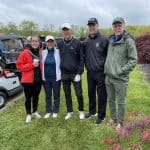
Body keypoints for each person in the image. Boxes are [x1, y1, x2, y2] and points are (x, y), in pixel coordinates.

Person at [104, 17, 137, 129]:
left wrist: (121, 71)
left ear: (124, 26)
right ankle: (113, 118)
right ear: (113, 27)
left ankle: (120, 123)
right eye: (115, 25)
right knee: (111, 99)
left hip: (120, 78)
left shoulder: (128, 40)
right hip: (109, 76)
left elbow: (133, 60)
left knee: (121, 102)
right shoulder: (111, 40)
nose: (117, 27)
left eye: (119, 25)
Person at [83, 18, 109, 125]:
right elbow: (83, 56)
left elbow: (109, 56)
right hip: (90, 73)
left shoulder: (104, 40)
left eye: (93, 25)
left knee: (102, 95)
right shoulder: (86, 41)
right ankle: (92, 111)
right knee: (91, 93)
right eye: (90, 25)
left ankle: (101, 116)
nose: (91, 27)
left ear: (97, 26)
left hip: (101, 73)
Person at [57, 23, 85, 120]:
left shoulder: (77, 43)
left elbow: (82, 59)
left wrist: (79, 73)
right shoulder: (60, 44)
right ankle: (69, 111)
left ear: (71, 30)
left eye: (67, 30)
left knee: (79, 93)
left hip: (75, 74)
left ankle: (81, 111)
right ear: (62, 32)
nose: (66, 32)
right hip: (64, 74)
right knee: (67, 94)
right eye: (64, 30)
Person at [16, 36, 42, 123]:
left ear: (39, 42)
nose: (35, 43)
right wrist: (31, 65)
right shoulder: (24, 53)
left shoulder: (41, 52)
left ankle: (35, 111)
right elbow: (19, 66)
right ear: (30, 42)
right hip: (27, 81)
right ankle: (28, 114)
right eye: (33, 41)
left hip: (38, 80)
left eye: (36, 41)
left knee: (36, 97)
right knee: (28, 98)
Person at [41, 35, 61, 118]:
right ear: (45, 43)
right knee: (48, 95)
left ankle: (55, 110)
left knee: (56, 95)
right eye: (48, 41)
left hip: (56, 77)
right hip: (46, 78)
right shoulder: (43, 52)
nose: (50, 43)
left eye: (51, 41)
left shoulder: (58, 52)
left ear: (54, 42)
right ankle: (49, 111)